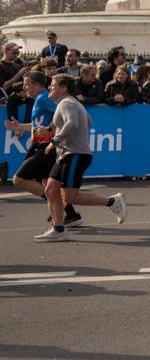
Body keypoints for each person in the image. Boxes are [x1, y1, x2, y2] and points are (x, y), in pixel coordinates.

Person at [32, 75, 127, 241]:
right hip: (66, 154)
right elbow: (87, 121)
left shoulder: (67, 102)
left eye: (53, 85)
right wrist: (49, 129)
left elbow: (72, 124)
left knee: (69, 197)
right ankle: (59, 229)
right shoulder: (70, 103)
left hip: (75, 154)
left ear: (63, 89)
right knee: (51, 190)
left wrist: (55, 141)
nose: (49, 88)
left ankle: (112, 202)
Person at [7, 71, 82, 227]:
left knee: (19, 179)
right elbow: (38, 126)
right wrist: (20, 126)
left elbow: (64, 116)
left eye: (27, 84)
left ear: (37, 85)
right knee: (48, 184)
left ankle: (60, 208)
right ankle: (71, 215)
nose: (24, 87)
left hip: (48, 147)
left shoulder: (44, 99)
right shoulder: (38, 100)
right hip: (41, 145)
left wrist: (51, 132)